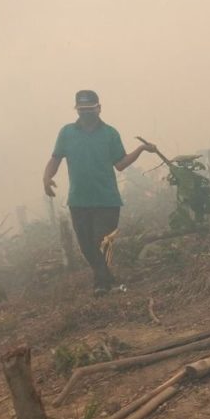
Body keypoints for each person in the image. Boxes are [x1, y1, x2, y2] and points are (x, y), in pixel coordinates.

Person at [42, 90, 157, 295]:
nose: (86, 114)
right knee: (86, 246)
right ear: (77, 111)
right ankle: (106, 279)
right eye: (82, 110)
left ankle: (101, 284)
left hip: (107, 200)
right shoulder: (67, 133)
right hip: (78, 200)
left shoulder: (110, 134)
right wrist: (47, 177)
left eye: (89, 110)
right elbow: (56, 158)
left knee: (101, 242)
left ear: (99, 108)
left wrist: (140, 149)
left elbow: (120, 164)